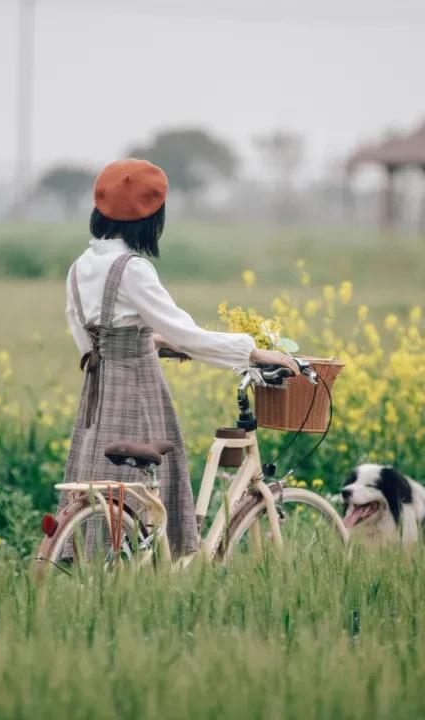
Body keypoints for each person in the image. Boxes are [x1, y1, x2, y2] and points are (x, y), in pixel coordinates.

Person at [63, 158, 298, 557]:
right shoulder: (131, 269)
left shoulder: (81, 265)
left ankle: (101, 558)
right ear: (150, 219)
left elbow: (85, 334)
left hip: (98, 396)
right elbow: (185, 333)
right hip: (138, 393)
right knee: (143, 485)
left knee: (104, 482)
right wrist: (252, 350)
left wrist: (146, 342)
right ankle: (153, 560)